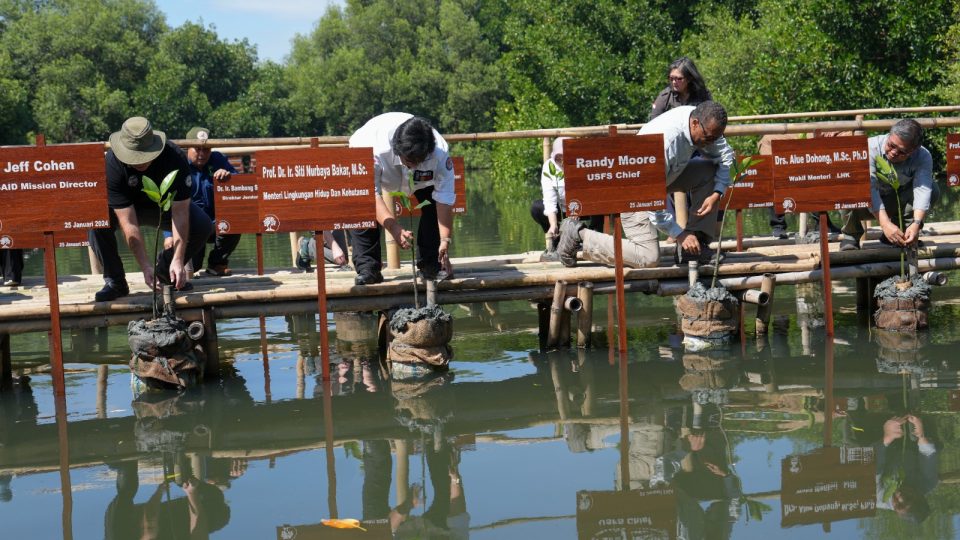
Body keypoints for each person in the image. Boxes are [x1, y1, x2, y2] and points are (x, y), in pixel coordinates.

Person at [557, 101, 736, 268]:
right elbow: (652, 203)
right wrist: (679, 234)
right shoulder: (667, 143)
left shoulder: (704, 120)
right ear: (695, 123)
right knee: (648, 258)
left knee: (709, 171)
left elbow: (727, 156)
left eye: (716, 138)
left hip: (662, 177)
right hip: (634, 188)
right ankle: (579, 235)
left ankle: (693, 249)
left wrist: (717, 193)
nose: (712, 143)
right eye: (709, 138)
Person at [89, 117, 213, 301]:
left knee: (202, 225)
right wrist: (145, 266)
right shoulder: (112, 163)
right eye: (135, 157)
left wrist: (178, 259)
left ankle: (165, 271)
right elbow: (128, 223)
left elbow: (180, 213)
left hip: (164, 206)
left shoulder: (174, 157)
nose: (140, 162)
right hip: (128, 208)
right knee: (96, 222)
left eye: (145, 155)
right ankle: (115, 282)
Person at [348, 113, 455, 285]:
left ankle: (431, 264)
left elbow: (444, 200)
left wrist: (445, 241)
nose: (414, 165)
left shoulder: (440, 152)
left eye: (420, 160)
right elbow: (370, 196)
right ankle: (368, 268)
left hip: (423, 182)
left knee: (432, 205)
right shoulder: (369, 148)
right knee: (362, 206)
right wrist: (395, 229)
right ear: (397, 149)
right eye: (410, 161)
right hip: (383, 172)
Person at [840, 119, 937, 251]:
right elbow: (870, 188)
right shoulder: (869, 148)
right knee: (846, 186)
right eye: (891, 145)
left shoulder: (923, 156)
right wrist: (885, 224)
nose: (894, 152)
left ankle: (902, 233)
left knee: (933, 189)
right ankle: (851, 236)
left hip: (895, 201)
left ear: (914, 150)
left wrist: (916, 223)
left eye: (902, 152)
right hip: (866, 203)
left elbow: (922, 190)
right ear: (889, 135)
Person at [179, 126, 241, 277]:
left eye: (206, 149)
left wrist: (227, 174)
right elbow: (170, 204)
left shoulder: (218, 159)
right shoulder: (179, 165)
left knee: (235, 221)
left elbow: (239, 182)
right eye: (197, 149)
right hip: (192, 227)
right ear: (188, 148)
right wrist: (168, 236)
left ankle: (217, 263)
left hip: (216, 223)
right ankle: (168, 263)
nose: (202, 154)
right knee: (193, 267)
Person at [530, 137, 603, 260]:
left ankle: (594, 238)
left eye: (565, 156)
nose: (562, 160)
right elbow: (549, 198)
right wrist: (553, 224)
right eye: (558, 156)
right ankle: (558, 240)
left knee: (602, 200)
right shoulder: (549, 166)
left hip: (584, 206)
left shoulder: (583, 162)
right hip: (562, 208)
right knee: (537, 208)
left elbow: (589, 190)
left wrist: (576, 209)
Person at [649, 56, 713, 121]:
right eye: (671, 78)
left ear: (689, 79)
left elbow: (710, 119)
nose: (674, 82)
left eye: (679, 79)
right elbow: (654, 122)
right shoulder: (665, 97)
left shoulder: (703, 95)